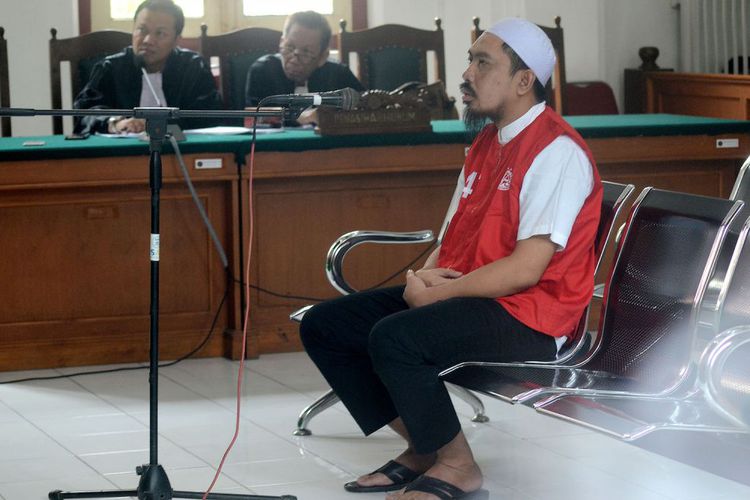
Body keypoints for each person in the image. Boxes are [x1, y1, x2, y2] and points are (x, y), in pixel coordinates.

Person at [299, 17, 603, 500]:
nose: (467, 74)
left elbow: (527, 269)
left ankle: (459, 466)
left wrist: (438, 294)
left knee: (396, 337)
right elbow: (452, 234)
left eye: (483, 63)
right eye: (470, 60)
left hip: (532, 315)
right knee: (326, 326)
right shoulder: (486, 141)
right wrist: (421, 279)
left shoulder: (556, 150)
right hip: (473, 293)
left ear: (524, 81)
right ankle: (426, 448)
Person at [74, 0, 222, 135]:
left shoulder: (193, 67)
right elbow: (86, 112)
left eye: (160, 33)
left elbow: (209, 115)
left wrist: (158, 124)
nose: (147, 40)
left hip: (182, 151)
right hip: (120, 153)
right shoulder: (110, 68)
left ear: (176, 40)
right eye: (142, 30)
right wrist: (115, 123)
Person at [244, 10, 364, 124]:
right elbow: (251, 116)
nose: (294, 59)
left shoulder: (338, 74)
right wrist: (297, 117)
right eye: (289, 47)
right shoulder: (263, 70)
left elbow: (365, 107)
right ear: (281, 42)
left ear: (323, 57)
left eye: (306, 52)